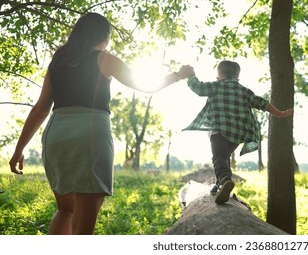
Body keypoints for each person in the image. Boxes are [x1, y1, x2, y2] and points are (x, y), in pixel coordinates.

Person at [8, 12, 189, 235]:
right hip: (90, 135)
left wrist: (19, 149)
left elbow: (41, 108)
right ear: (104, 36)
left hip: (57, 134)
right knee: (84, 224)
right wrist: (177, 75)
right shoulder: (104, 58)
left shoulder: (58, 62)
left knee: (65, 210)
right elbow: (145, 85)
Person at [180, 61, 294, 204]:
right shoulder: (245, 91)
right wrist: (280, 113)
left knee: (218, 158)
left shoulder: (216, 86)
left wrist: (191, 75)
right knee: (224, 158)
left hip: (219, 131)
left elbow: (199, 88)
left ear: (219, 76)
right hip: (238, 134)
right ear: (237, 76)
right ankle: (219, 184)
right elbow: (262, 103)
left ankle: (225, 180)